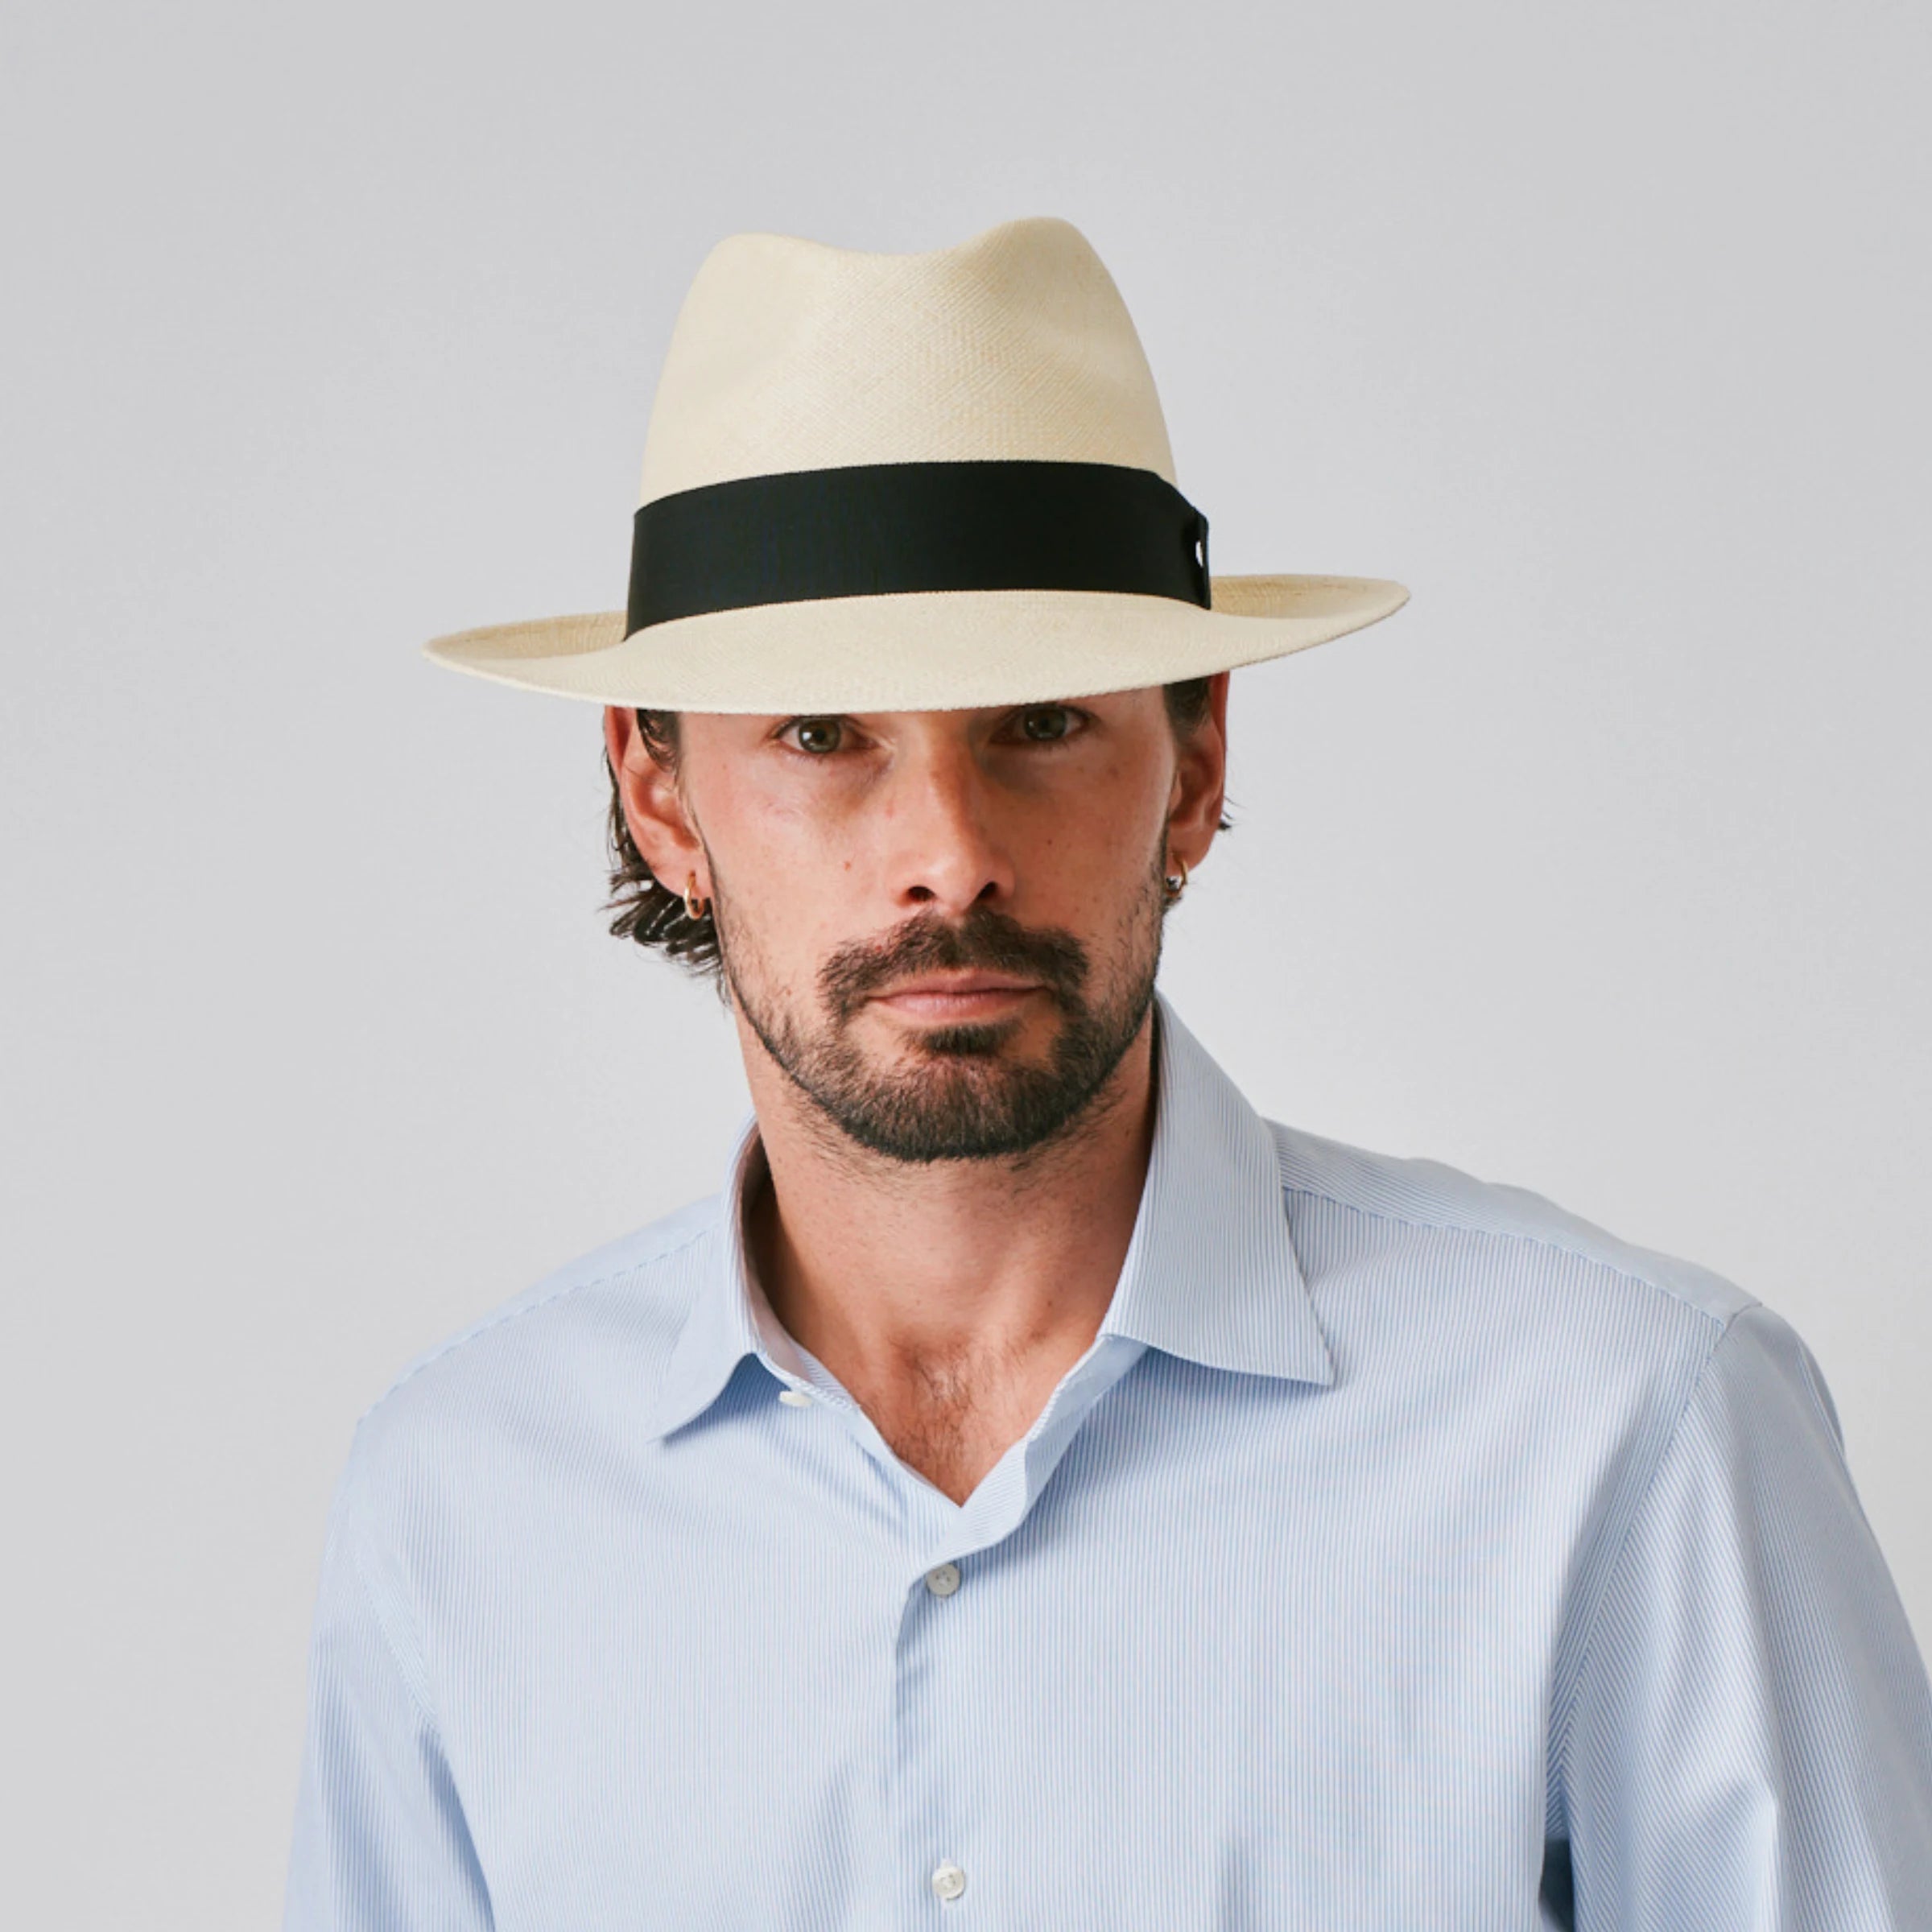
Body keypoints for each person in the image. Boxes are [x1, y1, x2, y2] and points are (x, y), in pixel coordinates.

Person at [283, 217, 1932, 1930]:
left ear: (1196, 755)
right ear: (661, 794)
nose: (949, 855)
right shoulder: (461, 1504)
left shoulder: (1624, 1434)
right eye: (824, 736)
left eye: (1043, 722)